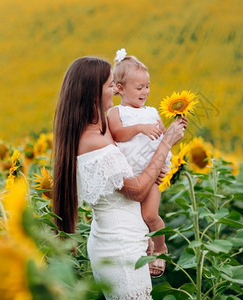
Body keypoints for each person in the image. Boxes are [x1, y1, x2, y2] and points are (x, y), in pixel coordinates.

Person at [52, 56, 187, 299]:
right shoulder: (93, 139)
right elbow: (135, 190)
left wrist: (143, 232)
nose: (115, 90)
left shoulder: (102, 128)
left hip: (127, 240)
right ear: (94, 93)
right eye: (111, 85)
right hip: (119, 248)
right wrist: (165, 144)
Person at [107, 50, 169, 278]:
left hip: (151, 175)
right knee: (135, 223)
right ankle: (147, 248)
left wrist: (164, 168)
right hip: (129, 177)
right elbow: (118, 134)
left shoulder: (152, 112)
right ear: (120, 88)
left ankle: (160, 248)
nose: (145, 92)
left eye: (147, 86)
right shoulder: (116, 112)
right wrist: (140, 128)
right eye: (139, 88)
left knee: (150, 216)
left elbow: (163, 142)